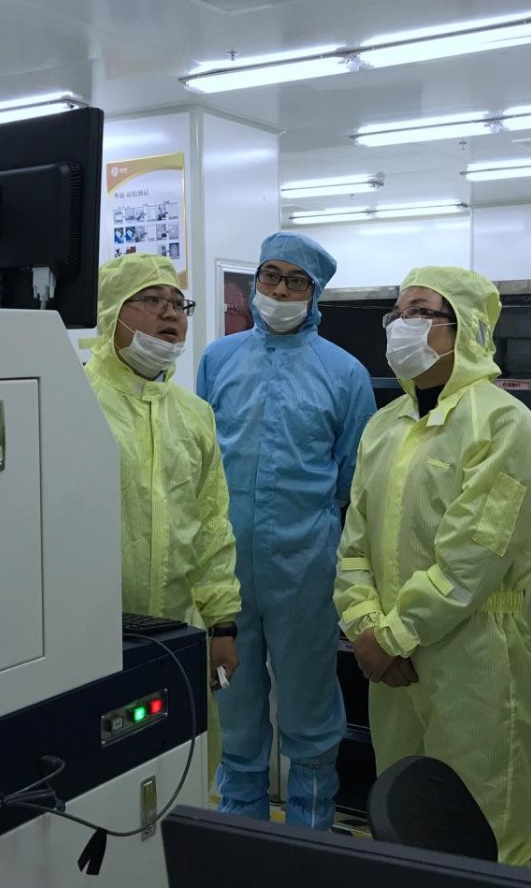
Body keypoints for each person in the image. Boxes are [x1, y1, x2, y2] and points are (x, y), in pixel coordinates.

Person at [335, 266, 531, 867]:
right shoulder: (384, 425)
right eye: (397, 313)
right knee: (406, 821)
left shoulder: (502, 424)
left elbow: (473, 558)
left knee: (486, 828)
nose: (401, 325)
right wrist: (367, 627)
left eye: (421, 312)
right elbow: (354, 546)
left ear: (466, 328)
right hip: (391, 663)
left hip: (473, 656)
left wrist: (391, 636)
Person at [197, 232, 375, 830]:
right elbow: (203, 463)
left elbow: (353, 477)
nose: (279, 290)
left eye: (296, 281)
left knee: (309, 707)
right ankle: (242, 834)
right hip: (224, 572)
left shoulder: (345, 374)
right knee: (234, 707)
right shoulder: (217, 360)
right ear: (255, 280)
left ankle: (310, 837)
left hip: (305, 570)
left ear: (315, 293)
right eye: (270, 275)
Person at [84, 253, 242, 769]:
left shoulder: (194, 415)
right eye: (152, 300)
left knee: (181, 765)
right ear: (112, 310)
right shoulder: (75, 402)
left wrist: (222, 626)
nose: (170, 313)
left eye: (178, 303)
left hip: (179, 631)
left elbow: (212, 525)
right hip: (88, 636)